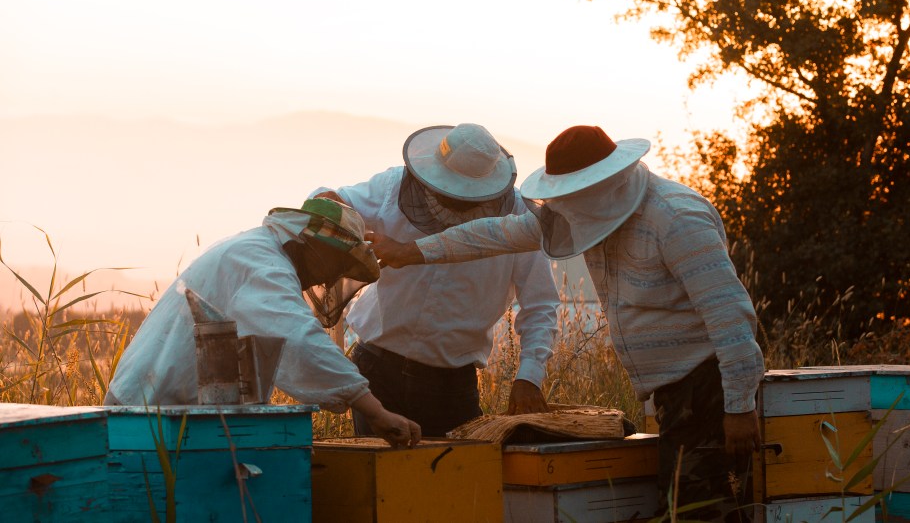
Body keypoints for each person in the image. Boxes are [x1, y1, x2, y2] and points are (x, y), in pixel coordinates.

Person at [371, 125, 765, 519]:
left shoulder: (677, 218)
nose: (565, 205)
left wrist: (739, 406)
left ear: (605, 182)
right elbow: (494, 233)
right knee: (687, 504)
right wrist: (413, 252)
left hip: (706, 385)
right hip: (676, 393)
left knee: (696, 509)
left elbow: (730, 316)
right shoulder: (584, 212)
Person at [105, 197, 421, 448]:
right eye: (337, 265)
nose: (331, 278)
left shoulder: (255, 249)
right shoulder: (261, 265)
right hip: (147, 415)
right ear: (315, 246)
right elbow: (299, 339)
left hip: (165, 411)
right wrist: (375, 412)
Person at [311, 123, 560, 438]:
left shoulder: (520, 217)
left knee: (454, 483)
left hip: (452, 386)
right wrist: (339, 214)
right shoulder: (393, 186)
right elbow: (328, 200)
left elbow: (540, 303)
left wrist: (529, 376)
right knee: (381, 482)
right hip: (377, 369)